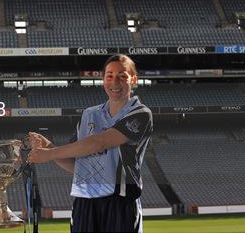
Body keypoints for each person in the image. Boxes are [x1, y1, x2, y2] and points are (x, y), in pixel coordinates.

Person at [28, 54, 153, 233]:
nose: (114, 81)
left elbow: (100, 142)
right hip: (84, 203)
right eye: (109, 75)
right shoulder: (89, 114)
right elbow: (76, 165)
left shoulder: (141, 113)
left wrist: (49, 154)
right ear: (103, 79)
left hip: (120, 201)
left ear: (134, 79)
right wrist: (49, 147)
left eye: (122, 76)